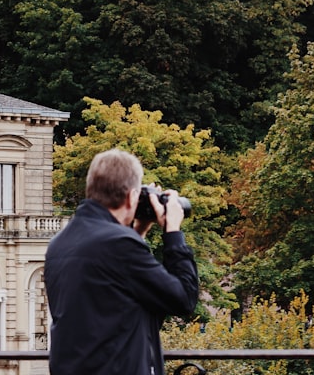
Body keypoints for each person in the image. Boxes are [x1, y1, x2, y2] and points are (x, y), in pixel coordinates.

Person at [45, 148, 199, 375]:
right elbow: (184, 298)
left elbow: (119, 305)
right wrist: (173, 231)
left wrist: (139, 231)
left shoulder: (60, 243)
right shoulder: (118, 244)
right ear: (131, 197)